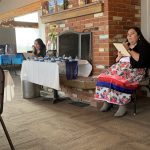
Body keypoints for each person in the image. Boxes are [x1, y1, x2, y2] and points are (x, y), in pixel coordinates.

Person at [95, 27, 150, 117]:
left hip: (135, 70)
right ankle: (107, 101)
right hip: (120, 67)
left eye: (132, 33)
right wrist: (119, 56)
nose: (129, 36)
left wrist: (128, 49)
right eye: (128, 34)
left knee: (118, 79)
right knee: (103, 76)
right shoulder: (126, 45)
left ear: (138, 35)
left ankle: (122, 105)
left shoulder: (143, 45)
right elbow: (117, 60)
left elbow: (139, 59)